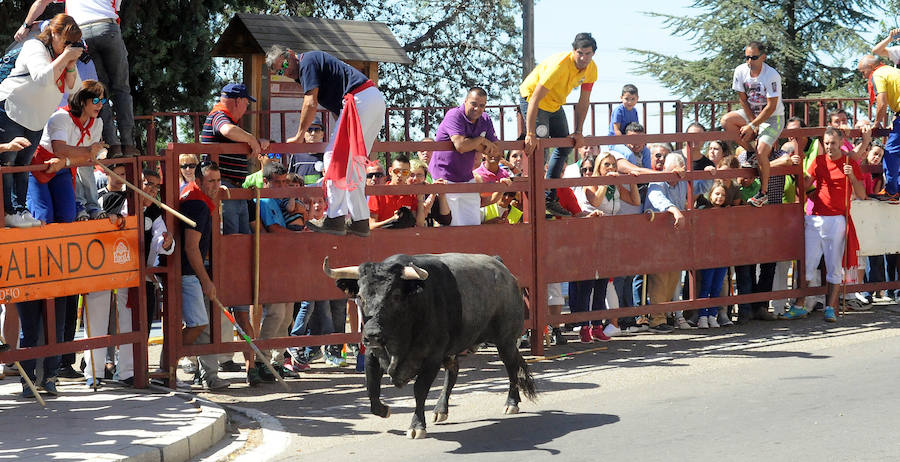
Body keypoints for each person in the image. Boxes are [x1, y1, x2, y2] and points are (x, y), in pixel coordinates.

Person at [17, 79, 105, 397]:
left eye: (104, 101)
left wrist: (74, 158)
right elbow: (62, 150)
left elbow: (87, 161)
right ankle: (31, 379)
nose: (101, 106)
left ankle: (49, 377)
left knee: (66, 221)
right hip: (40, 168)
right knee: (42, 222)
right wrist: (80, 155)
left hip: (60, 170)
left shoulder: (96, 123)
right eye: (97, 100)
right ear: (82, 100)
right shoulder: (59, 118)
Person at [265, 45, 387, 237]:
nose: (286, 71)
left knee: (332, 157)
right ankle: (360, 221)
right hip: (371, 100)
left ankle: (335, 218)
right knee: (353, 163)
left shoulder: (307, 63)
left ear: (291, 54)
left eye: (285, 64)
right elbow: (333, 102)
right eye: (280, 71)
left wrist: (298, 136)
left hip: (358, 101)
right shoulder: (310, 64)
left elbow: (310, 102)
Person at [18, 0, 138, 156]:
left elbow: (42, 2)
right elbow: (115, 7)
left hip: (82, 32)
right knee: (121, 88)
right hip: (107, 27)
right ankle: (128, 145)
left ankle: (112, 145)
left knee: (98, 90)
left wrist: (26, 26)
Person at [1, 13, 84, 228]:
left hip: (35, 119)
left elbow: (76, 90)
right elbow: (42, 78)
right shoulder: (34, 46)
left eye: (73, 43)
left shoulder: (64, 58)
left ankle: (20, 209)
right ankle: (8, 211)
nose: (69, 46)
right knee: (8, 162)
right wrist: (66, 57)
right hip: (12, 109)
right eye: (66, 41)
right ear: (54, 33)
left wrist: (71, 64)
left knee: (23, 164)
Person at [782, 126, 872, 322]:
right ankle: (799, 304)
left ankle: (831, 308)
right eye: (826, 143)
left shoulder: (850, 163)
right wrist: (796, 169)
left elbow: (862, 194)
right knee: (808, 265)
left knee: (834, 266)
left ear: (840, 142)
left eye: (833, 142)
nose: (829, 146)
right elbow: (804, 185)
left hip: (838, 220)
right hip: (815, 218)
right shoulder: (819, 161)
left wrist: (851, 176)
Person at [520, 32, 597, 216]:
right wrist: (530, 133)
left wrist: (578, 131)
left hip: (555, 104)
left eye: (588, 53)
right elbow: (535, 98)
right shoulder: (560, 66)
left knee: (565, 145)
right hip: (533, 100)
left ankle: (549, 196)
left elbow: (583, 101)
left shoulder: (591, 69)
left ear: (593, 54)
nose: (583, 57)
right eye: (580, 53)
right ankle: (536, 195)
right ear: (573, 51)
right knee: (539, 147)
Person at [178, 160, 229, 390]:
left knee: (202, 324)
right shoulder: (197, 204)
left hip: (193, 271)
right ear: (198, 181)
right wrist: (206, 280)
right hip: (190, 272)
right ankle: (169, 362)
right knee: (199, 323)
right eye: (211, 181)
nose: (216, 185)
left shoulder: (196, 197)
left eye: (218, 181)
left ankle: (207, 374)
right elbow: (191, 247)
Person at [721, 41, 784, 207]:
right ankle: (751, 152)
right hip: (752, 114)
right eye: (747, 57)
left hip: (773, 117)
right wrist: (752, 123)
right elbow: (742, 100)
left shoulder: (772, 75)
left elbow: (771, 107)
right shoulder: (740, 71)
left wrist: (753, 125)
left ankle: (763, 193)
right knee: (726, 121)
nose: (749, 61)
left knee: (762, 151)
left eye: (753, 57)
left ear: (763, 57)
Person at [428, 87, 500, 225]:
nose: (477, 108)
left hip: (467, 178)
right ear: (465, 101)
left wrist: (473, 142)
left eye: (482, 105)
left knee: (473, 223)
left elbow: (495, 150)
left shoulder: (485, 119)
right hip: (444, 178)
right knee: (449, 225)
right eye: (473, 103)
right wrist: (481, 140)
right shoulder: (454, 115)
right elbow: (461, 146)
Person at [643, 153, 689, 334]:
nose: (679, 176)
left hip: (674, 237)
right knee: (660, 278)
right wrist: (675, 211)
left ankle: (664, 314)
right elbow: (657, 199)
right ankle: (657, 319)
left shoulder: (682, 182)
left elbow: (700, 186)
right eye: (676, 172)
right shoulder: (657, 182)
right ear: (667, 170)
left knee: (674, 276)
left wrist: (710, 172)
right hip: (658, 236)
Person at [858, 55, 900, 198]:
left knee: (891, 152)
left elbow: (882, 101)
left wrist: (876, 123)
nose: (863, 77)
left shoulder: (877, 74)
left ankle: (892, 191)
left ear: (870, 67)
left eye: (862, 72)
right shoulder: (891, 70)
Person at [694, 180, 731, 328]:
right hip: (708, 255)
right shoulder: (703, 210)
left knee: (717, 286)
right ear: (710, 195)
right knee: (706, 285)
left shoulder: (727, 212)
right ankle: (702, 316)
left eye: (722, 195)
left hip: (722, 254)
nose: (719, 197)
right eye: (716, 194)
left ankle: (712, 315)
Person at [369, 154, 417, 229]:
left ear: (409, 174)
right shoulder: (377, 194)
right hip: (382, 238)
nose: (400, 175)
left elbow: (417, 224)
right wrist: (392, 220)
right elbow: (371, 226)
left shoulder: (412, 195)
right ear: (390, 171)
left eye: (404, 172)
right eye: (397, 171)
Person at [288, 115, 326, 186]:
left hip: (321, 195)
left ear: (322, 134)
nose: (313, 133)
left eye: (317, 130)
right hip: (301, 195)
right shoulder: (296, 155)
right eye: (309, 129)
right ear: (303, 134)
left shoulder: (327, 155)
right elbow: (290, 178)